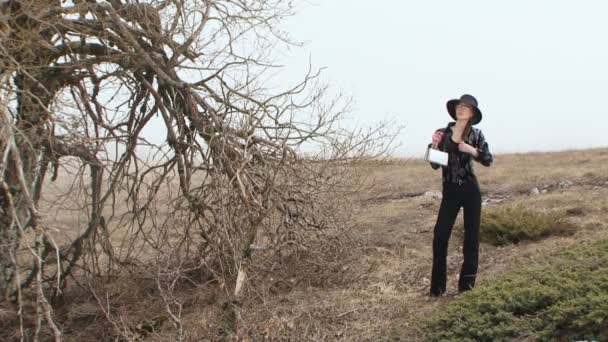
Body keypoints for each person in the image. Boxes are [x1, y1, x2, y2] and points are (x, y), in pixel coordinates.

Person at [428, 94, 493, 297]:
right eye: (459, 106)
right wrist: (434, 146)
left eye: (466, 107)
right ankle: (437, 291)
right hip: (450, 191)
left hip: (470, 190)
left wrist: (471, 150)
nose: (461, 108)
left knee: (471, 239)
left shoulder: (476, 134)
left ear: (472, 113)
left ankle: (467, 289)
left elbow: (488, 159)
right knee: (440, 237)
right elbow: (434, 164)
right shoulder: (442, 133)